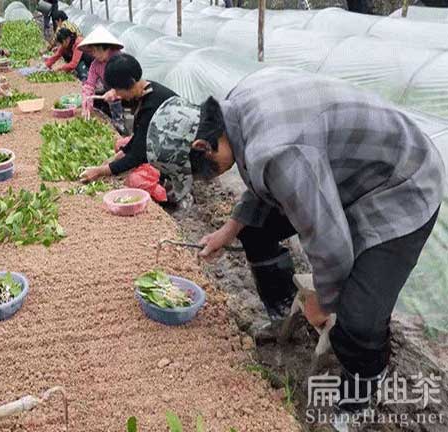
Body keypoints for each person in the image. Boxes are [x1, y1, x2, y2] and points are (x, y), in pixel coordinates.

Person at [144, 67, 445, 409]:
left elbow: (328, 240)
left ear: (204, 145)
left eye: (202, 172)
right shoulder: (232, 112)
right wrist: (229, 229)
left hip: (400, 183)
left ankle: (362, 388)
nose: (208, 179)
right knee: (254, 229)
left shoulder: (278, 151)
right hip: (344, 170)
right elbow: (265, 179)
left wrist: (324, 300)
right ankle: (286, 308)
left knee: (358, 320)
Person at [79, 54, 177, 183]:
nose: (117, 95)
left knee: (137, 180)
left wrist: (100, 171)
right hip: (162, 143)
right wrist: (115, 158)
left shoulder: (152, 105)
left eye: (118, 90)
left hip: (179, 157)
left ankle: (174, 191)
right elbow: (139, 137)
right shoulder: (147, 89)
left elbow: (137, 155)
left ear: (131, 83)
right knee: (122, 146)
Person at [76, 26, 124, 125]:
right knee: (98, 99)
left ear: (104, 48)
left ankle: (120, 125)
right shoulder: (95, 65)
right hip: (109, 93)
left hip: (125, 93)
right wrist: (86, 103)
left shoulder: (120, 59)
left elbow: (127, 82)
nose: (92, 54)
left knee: (116, 105)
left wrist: (115, 92)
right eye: (91, 51)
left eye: (94, 51)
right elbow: (89, 85)